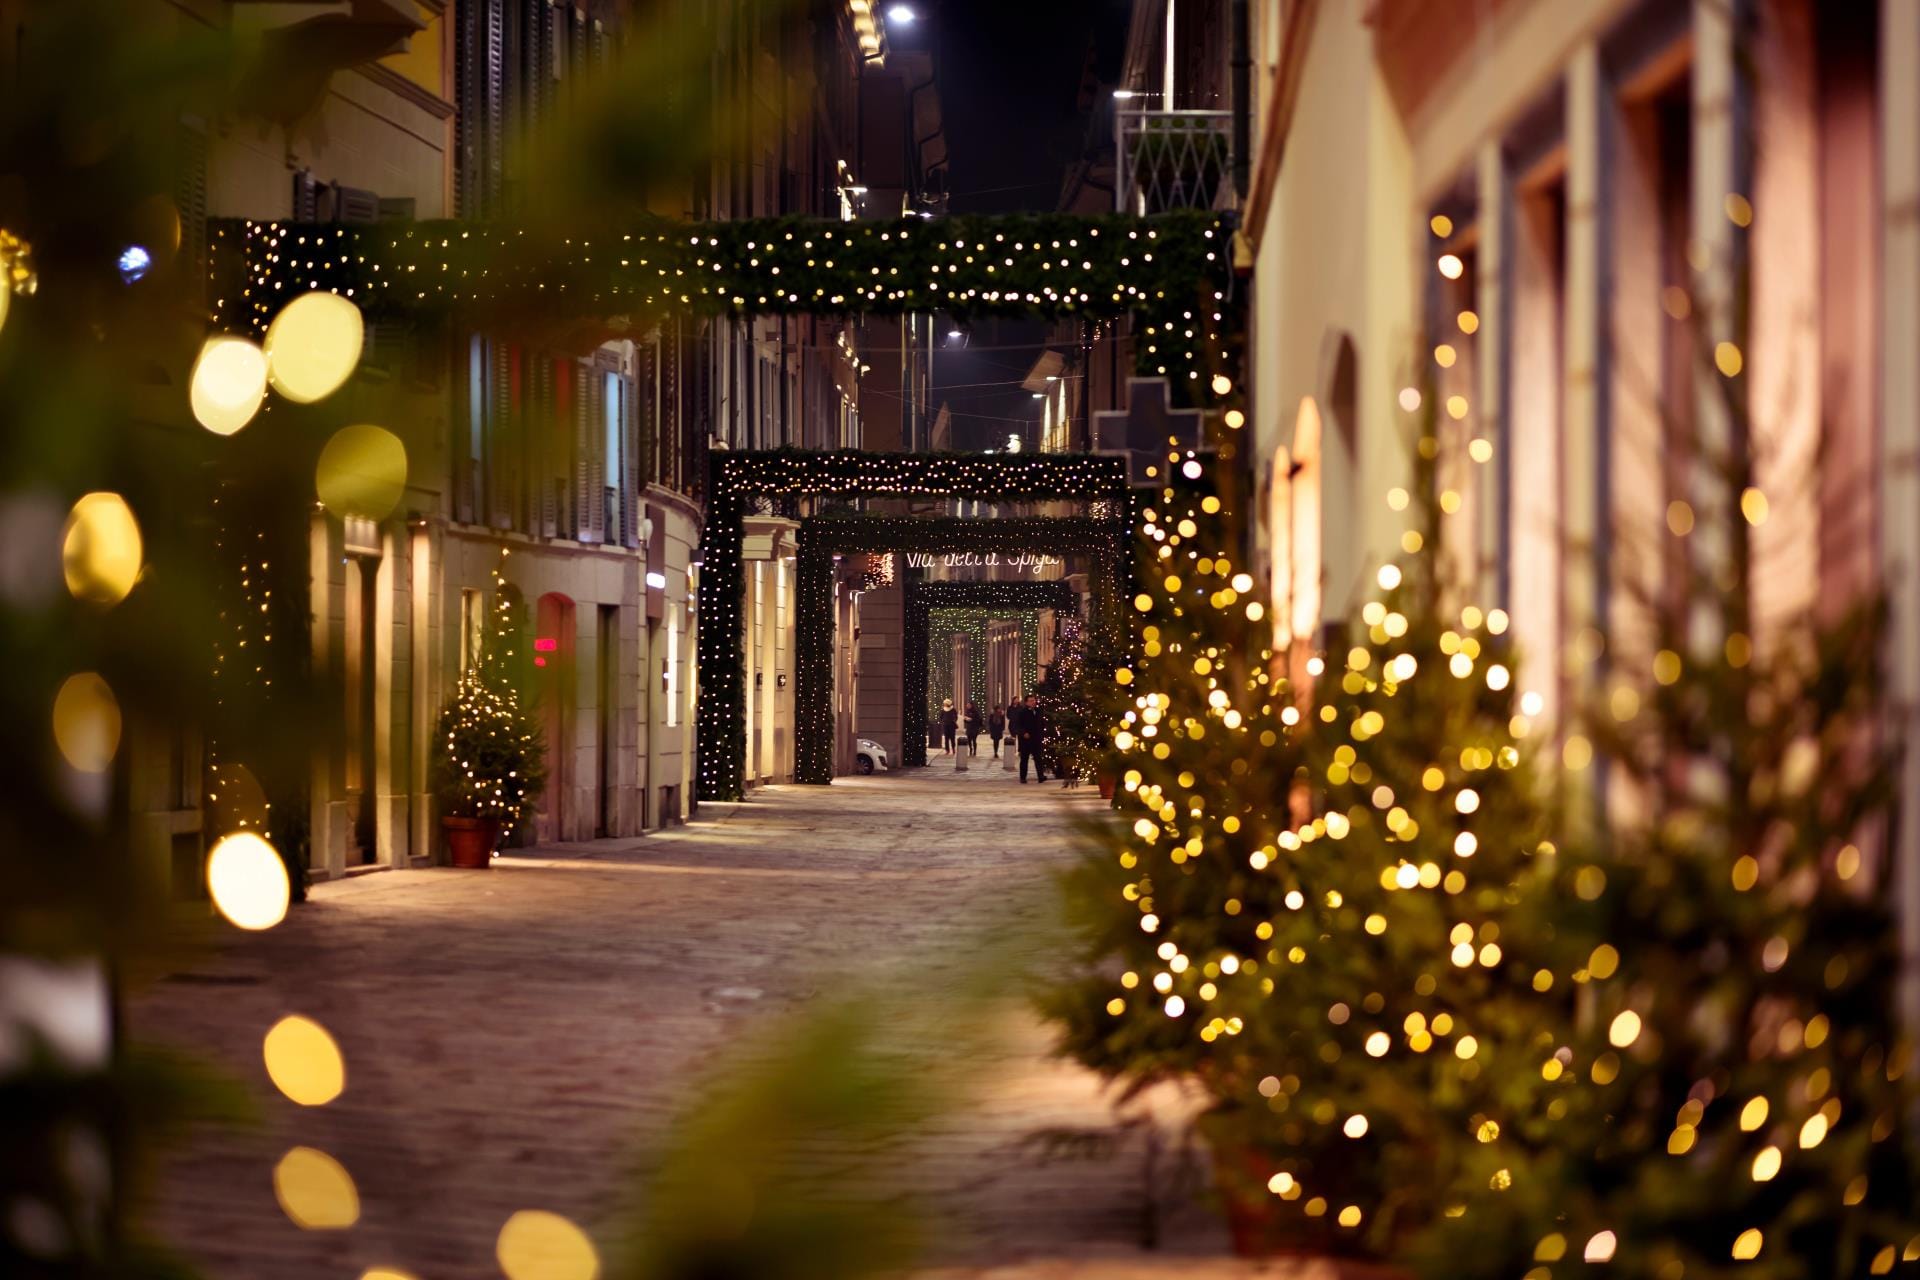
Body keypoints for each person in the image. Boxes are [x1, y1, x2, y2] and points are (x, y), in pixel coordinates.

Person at [1016, 694, 1048, 784]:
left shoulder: (1038, 711)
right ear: (1026, 702)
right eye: (1031, 701)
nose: (1033, 702)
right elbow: (1018, 725)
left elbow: (1042, 723)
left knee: (1038, 758)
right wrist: (1023, 733)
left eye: (1034, 700)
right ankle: (1023, 777)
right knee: (1024, 759)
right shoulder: (1022, 712)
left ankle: (1040, 776)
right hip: (1026, 740)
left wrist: (1042, 732)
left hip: (1036, 739)